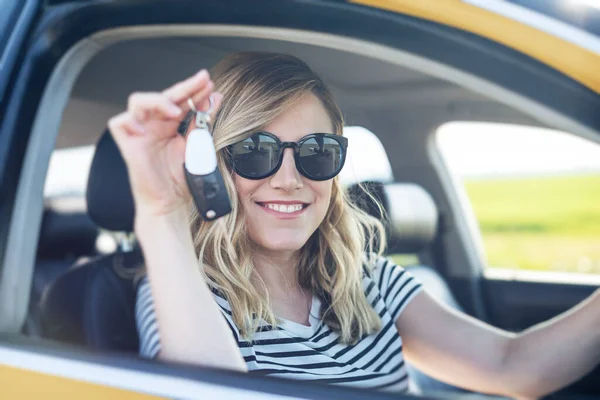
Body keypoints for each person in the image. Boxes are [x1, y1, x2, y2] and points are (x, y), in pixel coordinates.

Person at [108, 52, 600, 398]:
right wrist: (160, 215)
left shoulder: (369, 279)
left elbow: (512, 367)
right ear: (212, 165)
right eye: (254, 153)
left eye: (316, 153)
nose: (289, 180)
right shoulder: (183, 295)